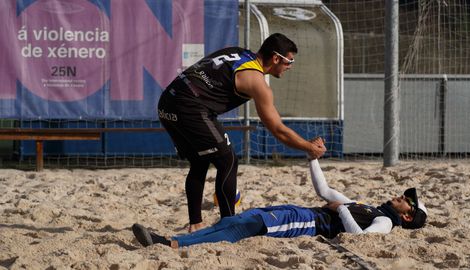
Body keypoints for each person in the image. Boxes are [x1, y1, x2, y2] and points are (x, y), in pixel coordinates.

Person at [157, 33, 327, 232]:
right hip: (191, 107)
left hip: (167, 101)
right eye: (289, 61)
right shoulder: (256, 81)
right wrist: (308, 147)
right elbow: (278, 130)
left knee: (200, 161)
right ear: (276, 58)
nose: (291, 66)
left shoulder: (238, 53)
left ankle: (196, 223)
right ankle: (230, 226)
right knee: (227, 161)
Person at [132, 140, 428, 248]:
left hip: (307, 224)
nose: (400, 195)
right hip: (301, 211)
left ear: (407, 214)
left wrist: (342, 210)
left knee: (243, 227)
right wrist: (312, 157)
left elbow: (360, 240)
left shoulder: (387, 223)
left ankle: (171, 243)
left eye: (406, 199)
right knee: (237, 219)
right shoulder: (372, 208)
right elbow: (324, 190)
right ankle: (174, 241)